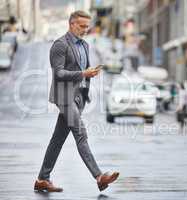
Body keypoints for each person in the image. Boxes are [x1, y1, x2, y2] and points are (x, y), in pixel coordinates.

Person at [34, 10, 119, 193]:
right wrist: (83, 73)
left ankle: (42, 179)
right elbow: (58, 73)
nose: (86, 29)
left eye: (88, 26)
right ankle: (99, 177)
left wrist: (87, 80)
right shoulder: (60, 45)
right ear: (71, 24)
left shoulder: (85, 45)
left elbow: (82, 71)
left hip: (78, 97)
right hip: (64, 96)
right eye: (82, 26)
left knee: (57, 140)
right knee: (81, 133)